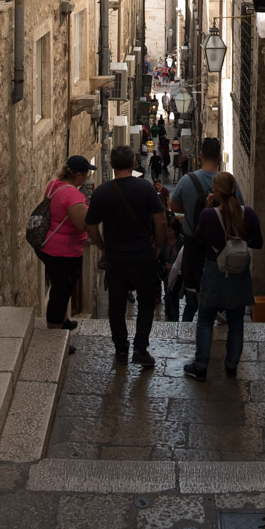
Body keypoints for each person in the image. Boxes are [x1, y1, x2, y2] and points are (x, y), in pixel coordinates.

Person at [85, 145, 166, 367]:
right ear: (133, 164)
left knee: (116, 306)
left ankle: (121, 349)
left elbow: (90, 226)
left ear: (111, 165)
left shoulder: (102, 192)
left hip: (116, 259)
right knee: (147, 303)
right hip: (142, 257)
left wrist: (102, 246)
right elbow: (160, 220)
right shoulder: (146, 189)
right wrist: (158, 245)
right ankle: (140, 349)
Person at [183, 171, 263, 381]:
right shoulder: (249, 214)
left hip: (214, 272)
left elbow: (199, 238)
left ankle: (200, 367)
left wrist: (208, 210)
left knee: (205, 320)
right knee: (236, 321)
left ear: (217, 192)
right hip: (240, 274)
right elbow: (258, 243)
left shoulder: (210, 215)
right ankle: (231, 366)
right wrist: (240, 241)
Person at [168, 137, 243, 321]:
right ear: (219, 156)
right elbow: (239, 208)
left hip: (194, 246)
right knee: (219, 289)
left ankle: (189, 332)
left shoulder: (187, 181)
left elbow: (175, 208)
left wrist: (193, 208)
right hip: (222, 247)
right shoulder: (228, 183)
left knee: (192, 299)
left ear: (200, 155)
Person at [35, 155, 96, 339]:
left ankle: (63, 320)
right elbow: (82, 224)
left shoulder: (54, 185)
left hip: (49, 247)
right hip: (64, 252)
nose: (86, 178)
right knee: (61, 291)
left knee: (60, 285)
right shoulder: (73, 195)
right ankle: (55, 333)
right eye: (85, 174)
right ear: (78, 175)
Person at [159, 215, 184, 322]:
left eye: (170, 230)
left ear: (176, 231)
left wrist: (173, 265)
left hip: (177, 274)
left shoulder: (181, 241)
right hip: (166, 273)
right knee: (168, 294)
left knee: (173, 296)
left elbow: (183, 258)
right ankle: (170, 315)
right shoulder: (163, 240)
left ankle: (174, 319)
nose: (168, 233)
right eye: (166, 230)